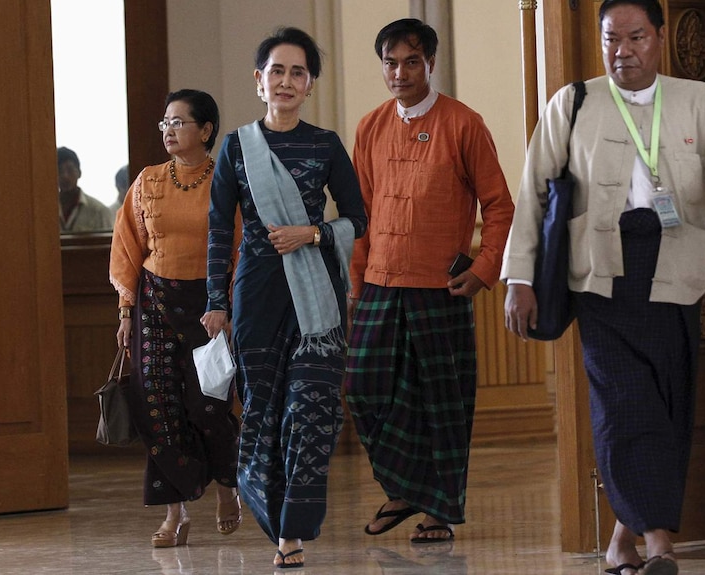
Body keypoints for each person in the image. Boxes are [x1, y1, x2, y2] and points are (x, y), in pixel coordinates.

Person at [500, 1, 705, 574]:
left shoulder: (699, 100)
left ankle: (622, 540)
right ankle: (661, 544)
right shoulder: (573, 102)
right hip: (600, 272)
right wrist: (519, 275)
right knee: (623, 406)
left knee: (666, 404)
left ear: (660, 38)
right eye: (612, 39)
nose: (623, 50)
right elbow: (533, 191)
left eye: (636, 37)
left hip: (676, 268)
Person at [202, 27, 367, 570]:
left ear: (311, 83)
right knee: (264, 414)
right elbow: (219, 231)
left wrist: (312, 234)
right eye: (277, 71)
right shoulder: (237, 146)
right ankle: (279, 527)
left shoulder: (324, 145)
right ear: (259, 81)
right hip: (256, 297)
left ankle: (292, 530)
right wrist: (215, 302)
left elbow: (358, 218)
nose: (287, 81)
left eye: (299, 72)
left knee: (311, 410)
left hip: (316, 294)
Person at [345, 18, 514, 544]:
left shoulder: (464, 123)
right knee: (361, 388)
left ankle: (437, 511)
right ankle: (402, 489)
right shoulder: (370, 125)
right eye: (390, 63)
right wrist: (355, 282)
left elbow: (501, 206)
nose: (400, 72)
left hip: (441, 287)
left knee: (442, 400)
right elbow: (359, 212)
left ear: (431, 64)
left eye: (411, 61)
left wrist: (486, 270)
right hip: (378, 284)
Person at [109, 89, 243, 549]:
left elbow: (243, 250)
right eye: (165, 122)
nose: (169, 130)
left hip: (210, 307)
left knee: (207, 407)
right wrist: (127, 310)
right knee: (157, 406)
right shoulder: (147, 180)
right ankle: (175, 514)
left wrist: (227, 305)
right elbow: (128, 246)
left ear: (205, 131)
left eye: (179, 122)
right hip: (155, 304)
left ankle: (228, 487)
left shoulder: (225, 180)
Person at [57, 146, 115, 232]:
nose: (65, 176)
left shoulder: (98, 211)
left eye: (70, 170)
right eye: (59, 171)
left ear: (79, 173)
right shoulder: (44, 210)